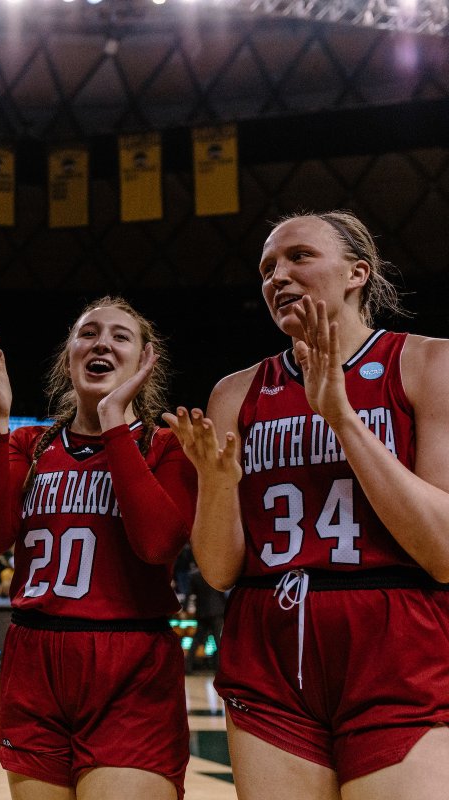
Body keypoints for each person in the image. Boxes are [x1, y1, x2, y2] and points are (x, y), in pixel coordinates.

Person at [166, 210, 449, 799]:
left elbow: (444, 552)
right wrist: (216, 488)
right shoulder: (235, 392)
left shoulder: (427, 363)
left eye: (299, 257)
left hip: (396, 643)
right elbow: (219, 571)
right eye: (268, 267)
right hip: (270, 637)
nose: (277, 276)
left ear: (356, 273)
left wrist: (342, 418)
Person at [0, 298, 196, 800]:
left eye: (120, 336)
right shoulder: (29, 445)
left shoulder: (167, 446)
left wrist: (114, 421)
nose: (102, 343)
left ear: (145, 359)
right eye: (88, 333)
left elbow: (158, 545)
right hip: (34, 661)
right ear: (69, 355)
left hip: (130, 663)